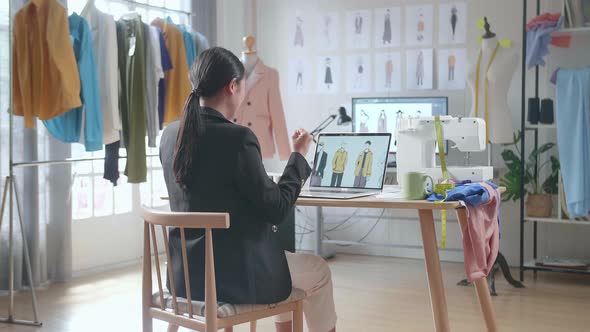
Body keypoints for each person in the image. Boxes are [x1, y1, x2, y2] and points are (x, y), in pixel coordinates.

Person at [159, 47, 337, 332]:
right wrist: (299, 157)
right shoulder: (239, 139)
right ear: (233, 86)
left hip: (185, 279)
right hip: (237, 278)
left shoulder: (169, 135)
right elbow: (277, 209)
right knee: (318, 270)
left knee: (286, 261)